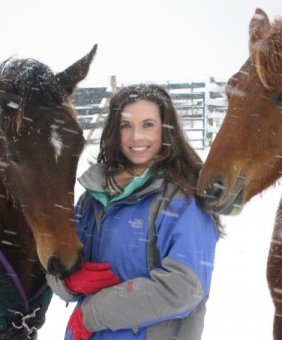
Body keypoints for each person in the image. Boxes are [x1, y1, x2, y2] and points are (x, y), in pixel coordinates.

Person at [47, 84, 220, 340]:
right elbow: (56, 262)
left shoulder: (181, 199)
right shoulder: (92, 198)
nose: (136, 136)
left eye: (148, 124)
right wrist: (69, 283)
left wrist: (91, 315)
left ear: (166, 129)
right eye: (126, 125)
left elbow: (183, 288)